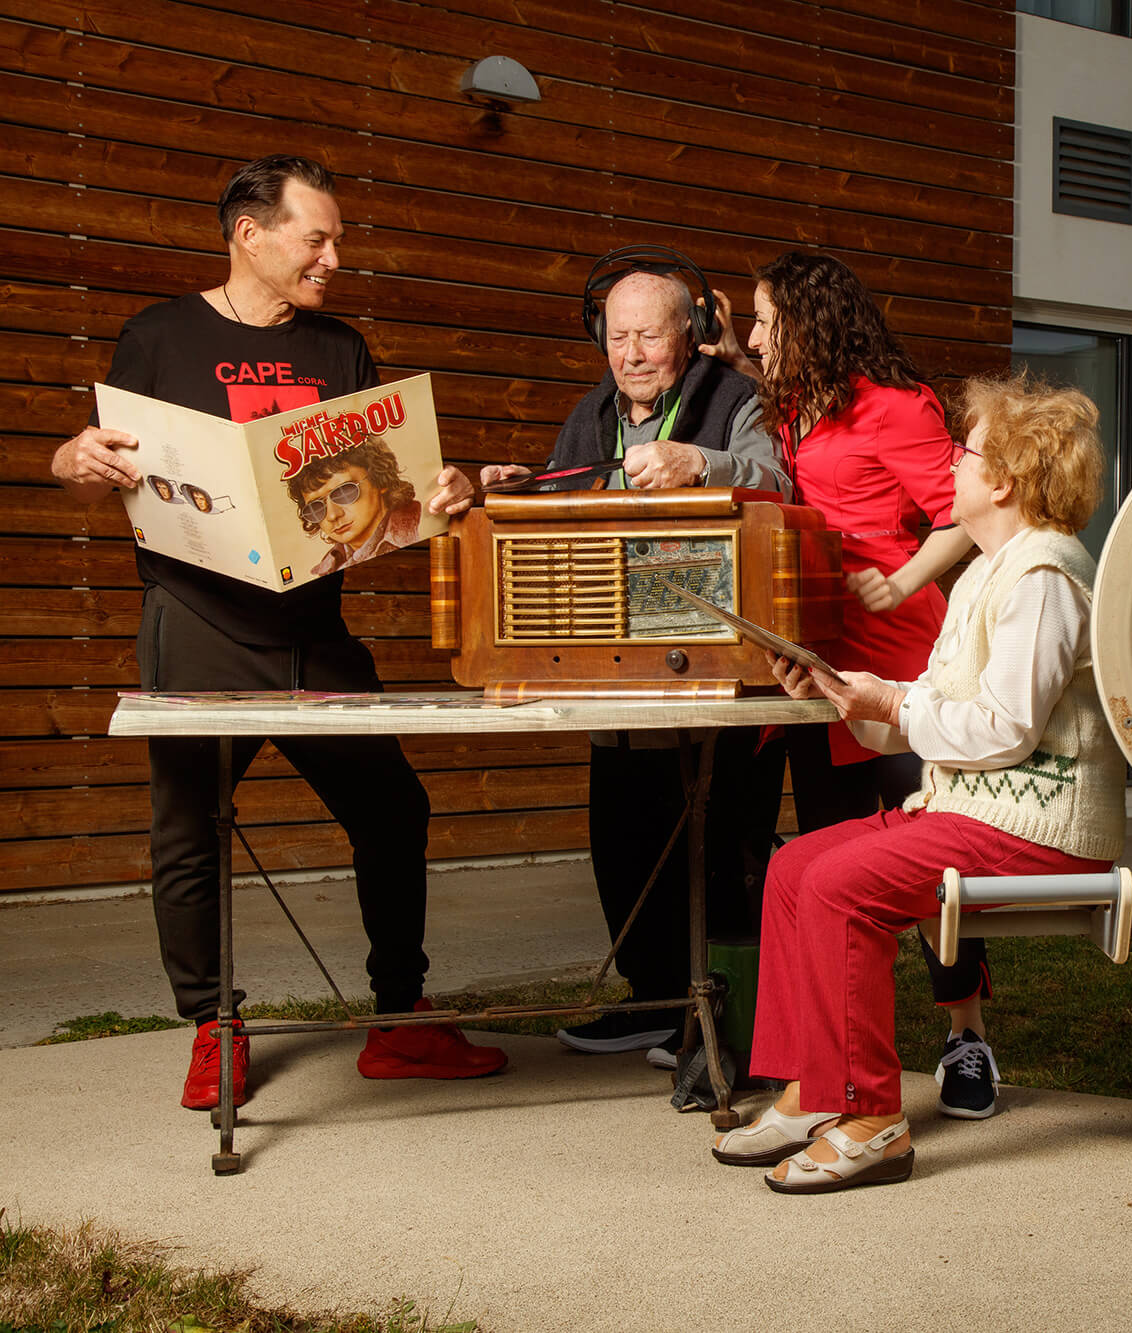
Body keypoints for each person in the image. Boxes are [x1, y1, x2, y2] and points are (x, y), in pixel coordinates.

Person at [49, 154, 503, 1111]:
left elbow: (389, 490)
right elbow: (92, 454)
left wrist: (443, 490)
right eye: (317, 237)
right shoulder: (159, 336)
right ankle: (215, 1023)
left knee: (393, 809)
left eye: (335, 239)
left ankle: (400, 1018)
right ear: (249, 235)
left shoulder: (341, 350)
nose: (333, 256)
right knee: (189, 830)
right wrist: (73, 455)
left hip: (313, 628)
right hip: (198, 624)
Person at [710, 373, 1125, 1192]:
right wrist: (846, 700)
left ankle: (872, 1119)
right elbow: (927, 712)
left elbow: (1006, 727)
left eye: (965, 452)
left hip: (1037, 830)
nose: (952, 463)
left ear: (1002, 480)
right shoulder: (983, 573)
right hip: (978, 810)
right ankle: (816, 1092)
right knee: (795, 870)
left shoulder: (1042, 578)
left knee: (838, 885)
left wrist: (893, 703)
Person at [704, 250, 1006, 1118]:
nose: (758, 336)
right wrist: (733, 355)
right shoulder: (790, 408)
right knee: (841, 876)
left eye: (767, 320)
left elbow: (966, 509)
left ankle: (966, 1037)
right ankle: (845, 1063)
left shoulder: (897, 407)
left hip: (904, 670)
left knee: (935, 871)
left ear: (808, 320)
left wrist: (907, 578)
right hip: (817, 672)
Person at [479, 265, 788, 1067]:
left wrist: (704, 466)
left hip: (715, 663)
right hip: (615, 667)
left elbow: (780, 481)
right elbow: (569, 500)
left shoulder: (733, 398)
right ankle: (652, 1000)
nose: (632, 353)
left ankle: (718, 1009)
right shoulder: (592, 413)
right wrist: (524, 490)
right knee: (621, 837)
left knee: (718, 845)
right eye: (617, 336)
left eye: (650, 334)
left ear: (688, 332)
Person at [287, 435, 424, 576]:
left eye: (344, 492)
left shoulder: (424, 526)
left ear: (379, 479)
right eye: (315, 508)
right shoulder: (325, 570)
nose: (333, 515)